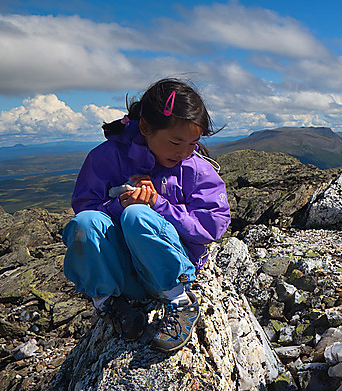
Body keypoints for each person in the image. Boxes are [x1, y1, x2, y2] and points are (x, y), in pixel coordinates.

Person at [63, 78, 231, 353]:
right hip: (121, 275)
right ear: (145, 127)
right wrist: (118, 205)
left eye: (193, 143)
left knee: (138, 216)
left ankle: (180, 301)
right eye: (176, 142)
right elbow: (84, 207)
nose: (184, 152)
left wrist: (159, 205)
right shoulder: (105, 158)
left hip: (167, 272)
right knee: (85, 223)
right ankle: (109, 303)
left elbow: (212, 227)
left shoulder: (196, 168)